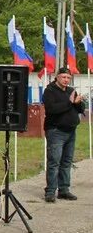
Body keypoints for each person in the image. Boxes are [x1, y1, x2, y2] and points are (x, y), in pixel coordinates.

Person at [42, 67, 86, 202]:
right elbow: (52, 109)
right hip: (56, 131)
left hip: (71, 131)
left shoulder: (71, 91)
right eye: (63, 77)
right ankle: (50, 191)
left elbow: (80, 109)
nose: (66, 80)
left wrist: (79, 103)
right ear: (57, 77)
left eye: (68, 78)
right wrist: (70, 102)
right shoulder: (49, 91)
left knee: (66, 162)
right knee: (54, 162)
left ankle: (64, 190)